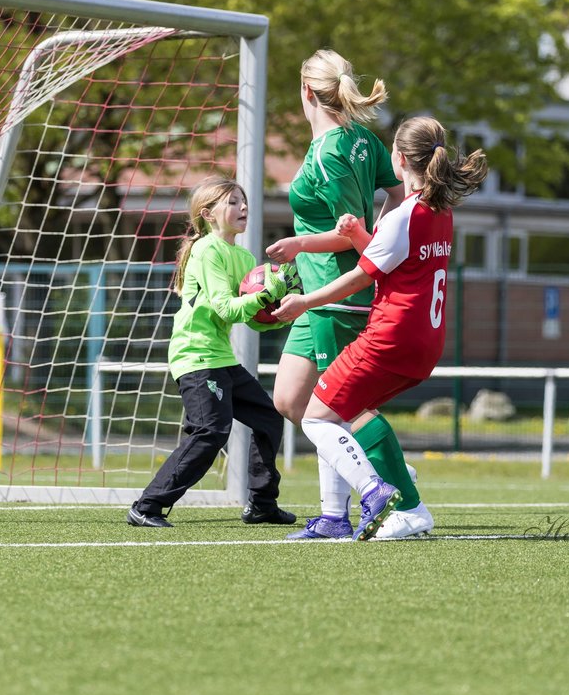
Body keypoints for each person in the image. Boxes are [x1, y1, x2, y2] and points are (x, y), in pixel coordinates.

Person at [273, 116, 488, 540]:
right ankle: (358, 506)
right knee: (349, 410)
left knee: (317, 418)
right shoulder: (439, 211)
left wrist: (304, 301)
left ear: (399, 158)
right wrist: (357, 235)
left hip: (390, 337)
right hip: (426, 342)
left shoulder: (404, 215)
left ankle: (389, 496)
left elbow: (362, 276)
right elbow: (392, 259)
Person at [265, 49, 429, 541]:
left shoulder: (333, 149)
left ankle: (379, 488)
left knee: (339, 405)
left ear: (306, 92)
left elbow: (344, 231)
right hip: (312, 290)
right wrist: (379, 233)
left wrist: (299, 244)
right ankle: (347, 501)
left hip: (335, 291)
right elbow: (395, 194)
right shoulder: (361, 139)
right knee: (292, 399)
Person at [127, 176, 298, 529]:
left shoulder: (244, 256)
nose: (243, 207)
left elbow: (249, 317)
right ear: (208, 214)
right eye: (233, 202)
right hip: (196, 356)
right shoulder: (206, 250)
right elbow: (224, 308)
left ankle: (262, 504)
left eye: (244, 200)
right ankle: (147, 506)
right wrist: (266, 295)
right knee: (210, 431)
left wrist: (279, 314)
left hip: (220, 358)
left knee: (268, 418)